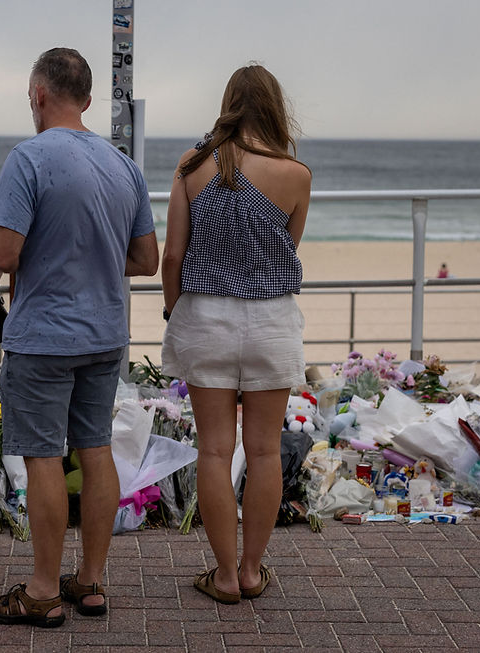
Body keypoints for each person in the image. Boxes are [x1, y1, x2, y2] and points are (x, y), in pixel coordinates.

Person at [0, 47, 158, 628]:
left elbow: (4, 256)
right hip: (105, 332)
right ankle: (92, 581)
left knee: (43, 459)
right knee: (96, 449)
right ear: (88, 99)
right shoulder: (124, 167)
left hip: (44, 335)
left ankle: (42, 590)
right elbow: (146, 260)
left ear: (39, 95)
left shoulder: (28, 158)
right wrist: (89, 255)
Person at [160, 64, 311, 605]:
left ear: (229, 103)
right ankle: (251, 570)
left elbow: (172, 256)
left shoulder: (193, 164)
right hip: (270, 321)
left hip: (206, 317)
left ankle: (223, 575)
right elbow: (286, 249)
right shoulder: (295, 174)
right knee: (265, 451)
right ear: (274, 108)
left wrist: (174, 312)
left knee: (214, 451)